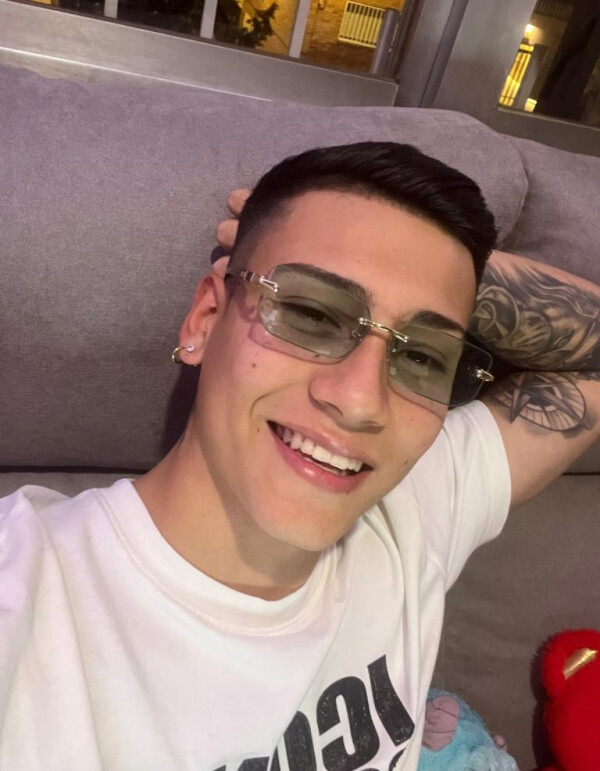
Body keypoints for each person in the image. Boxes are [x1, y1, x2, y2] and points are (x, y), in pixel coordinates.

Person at [1, 142, 598, 771]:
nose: (362, 401)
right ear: (205, 319)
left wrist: (456, 274)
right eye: (312, 314)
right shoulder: (29, 591)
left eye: (422, 355)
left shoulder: (411, 507)